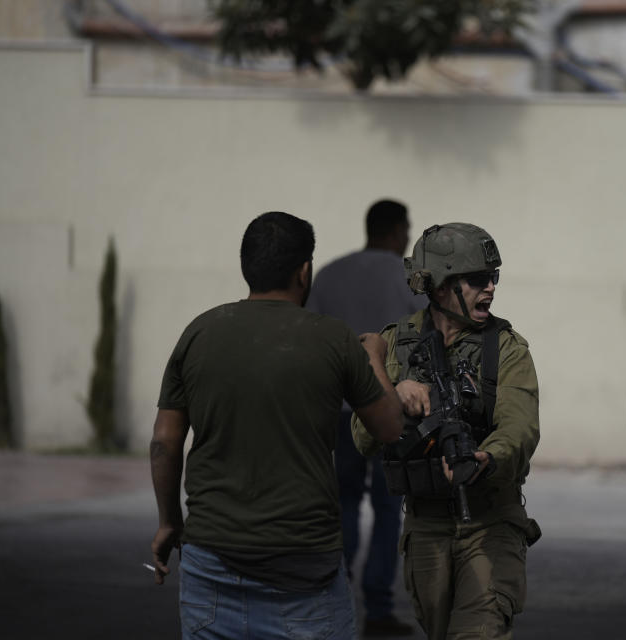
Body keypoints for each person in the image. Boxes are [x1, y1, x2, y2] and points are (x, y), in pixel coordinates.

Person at [149, 211, 403, 640]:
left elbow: (164, 441)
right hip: (304, 576)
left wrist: (169, 520)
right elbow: (390, 428)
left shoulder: (200, 332)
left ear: (246, 266)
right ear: (304, 271)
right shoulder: (335, 339)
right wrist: (374, 354)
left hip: (210, 563)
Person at [352, 223, 541, 640]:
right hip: (426, 528)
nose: (490, 288)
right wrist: (392, 395)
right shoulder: (394, 345)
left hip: (491, 523)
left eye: (494, 277)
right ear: (438, 287)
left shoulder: (505, 347)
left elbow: (520, 426)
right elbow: (363, 439)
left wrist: (485, 459)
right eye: (477, 280)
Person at [308, 199, 425, 637]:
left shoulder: (331, 274)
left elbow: (311, 342)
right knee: (388, 507)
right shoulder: (409, 278)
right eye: (407, 229)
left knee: (342, 504)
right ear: (396, 230)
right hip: (393, 413)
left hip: (339, 412)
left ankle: (336, 600)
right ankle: (377, 609)